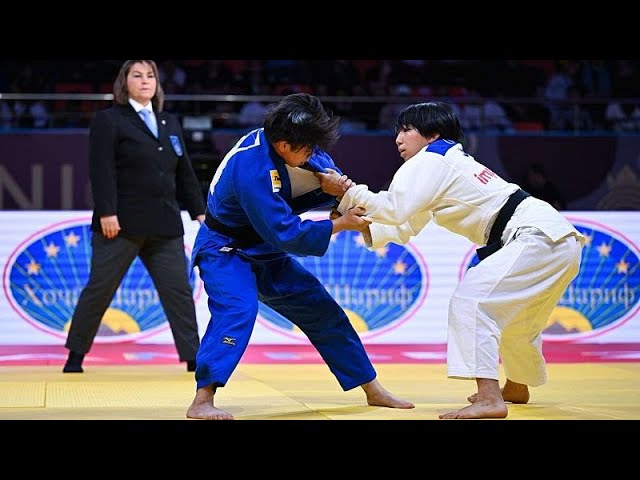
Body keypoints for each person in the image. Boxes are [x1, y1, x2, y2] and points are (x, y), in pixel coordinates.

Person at [318, 102, 584, 419]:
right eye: (397, 132)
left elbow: (393, 208)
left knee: (472, 301)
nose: (398, 139)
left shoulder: (431, 159)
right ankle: (516, 386)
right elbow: (404, 224)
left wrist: (347, 189)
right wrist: (357, 218)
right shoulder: (446, 162)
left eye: (406, 130)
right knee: (516, 321)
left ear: (432, 134)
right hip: (558, 239)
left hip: (535, 236)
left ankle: (489, 398)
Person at [186, 93, 414, 420]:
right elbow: (287, 235)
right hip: (225, 249)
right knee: (238, 309)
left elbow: (327, 173)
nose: (312, 153)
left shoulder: (299, 143)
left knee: (323, 310)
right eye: (307, 149)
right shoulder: (251, 168)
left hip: (265, 250)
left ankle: (371, 388)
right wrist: (339, 223)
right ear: (282, 146)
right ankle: (202, 399)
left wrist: (338, 190)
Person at [63, 60, 206, 373]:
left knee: (179, 292)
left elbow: (184, 173)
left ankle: (194, 359)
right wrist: (106, 212)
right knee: (99, 289)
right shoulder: (110, 120)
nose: (145, 81)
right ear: (123, 82)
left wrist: (199, 212)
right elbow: (101, 171)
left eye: (150, 75)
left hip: (166, 224)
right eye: (137, 75)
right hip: (121, 224)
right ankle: (75, 356)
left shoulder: (169, 122)